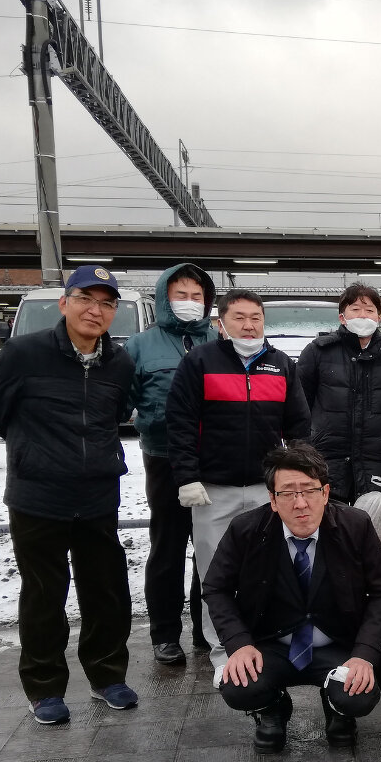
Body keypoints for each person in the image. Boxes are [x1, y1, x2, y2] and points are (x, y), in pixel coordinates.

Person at [0, 265, 137, 725]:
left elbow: (118, 411)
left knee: (106, 591)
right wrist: (35, 450)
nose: (95, 310)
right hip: (38, 494)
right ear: (64, 303)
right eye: (85, 299)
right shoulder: (24, 353)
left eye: (106, 303)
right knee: (45, 595)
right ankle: (45, 687)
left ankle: (108, 676)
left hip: (98, 493)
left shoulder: (119, 362)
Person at [202, 442, 381, 752]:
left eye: (309, 491)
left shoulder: (355, 525)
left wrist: (364, 653)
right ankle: (272, 707)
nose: (300, 503)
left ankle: (337, 709)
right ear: (273, 499)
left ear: (326, 493)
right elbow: (216, 587)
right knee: (238, 685)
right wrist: (239, 643)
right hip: (272, 643)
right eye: (288, 493)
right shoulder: (246, 530)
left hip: (337, 642)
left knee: (357, 694)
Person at [165, 289, 311, 683]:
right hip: (214, 490)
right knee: (216, 573)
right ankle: (223, 652)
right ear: (221, 323)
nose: (249, 325)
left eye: (256, 318)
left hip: (266, 489)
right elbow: (180, 422)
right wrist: (187, 477)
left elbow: (298, 425)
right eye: (239, 318)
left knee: (268, 568)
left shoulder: (281, 365)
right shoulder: (200, 362)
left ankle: (264, 642)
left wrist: (301, 475)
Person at [124, 263, 218, 666]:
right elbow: (121, 401)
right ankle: (164, 633)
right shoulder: (140, 346)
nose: (189, 302)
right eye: (181, 295)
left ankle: (205, 629)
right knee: (168, 546)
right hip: (163, 458)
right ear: (165, 297)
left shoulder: (219, 340)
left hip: (213, 459)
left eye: (197, 296)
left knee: (211, 547)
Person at [297, 282, 381, 503]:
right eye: (355, 309)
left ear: (378, 317)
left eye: (369, 310)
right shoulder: (318, 352)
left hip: (377, 458)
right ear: (342, 317)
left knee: (373, 518)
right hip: (327, 457)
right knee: (329, 517)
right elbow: (300, 401)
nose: (363, 315)